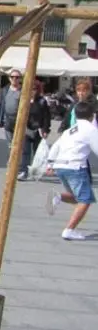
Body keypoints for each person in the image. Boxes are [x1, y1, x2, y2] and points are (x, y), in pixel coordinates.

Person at [47, 101, 98, 241]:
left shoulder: (70, 130)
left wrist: (50, 163)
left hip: (60, 166)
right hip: (75, 167)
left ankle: (58, 196)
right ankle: (69, 230)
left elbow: (56, 145)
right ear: (92, 115)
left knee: (76, 197)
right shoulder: (90, 129)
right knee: (85, 200)